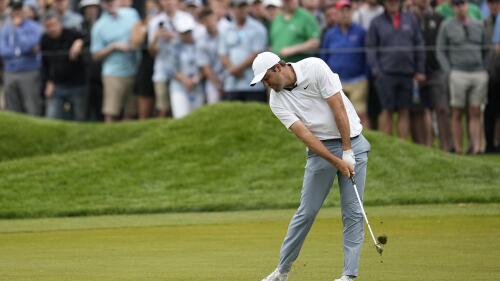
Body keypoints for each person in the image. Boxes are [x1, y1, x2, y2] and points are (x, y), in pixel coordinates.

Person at [252, 52, 370, 281]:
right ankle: (282, 271)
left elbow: (339, 108)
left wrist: (347, 151)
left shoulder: (315, 67)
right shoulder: (275, 101)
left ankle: (349, 275)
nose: (266, 85)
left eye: (266, 78)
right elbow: (305, 136)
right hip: (320, 153)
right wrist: (336, 160)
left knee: (353, 212)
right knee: (306, 212)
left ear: (277, 68)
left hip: (353, 143)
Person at [365, 0, 426, 139]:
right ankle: (387, 144)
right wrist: (376, 71)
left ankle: (401, 146)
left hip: (407, 73)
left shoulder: (411, 19)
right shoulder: (376, 22)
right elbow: (371, 48)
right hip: (385, 74)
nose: (392, 2)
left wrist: (420, 69)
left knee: (404, 110)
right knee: (386, 110)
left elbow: (419, 44)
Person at [436, 0, 488, 154]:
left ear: (468, 5)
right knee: (457, 111)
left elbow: (486, 49)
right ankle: (459, 149)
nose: (460, 8)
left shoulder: (479, 25)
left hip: (478, 73)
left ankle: (477, 147)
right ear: (453, 8)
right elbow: (440, 50)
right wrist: (449, 71)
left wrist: (484, 69)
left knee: (475, 111)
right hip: (457, 73)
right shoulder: (446, 25)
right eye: (456, 5)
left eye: (462, 4)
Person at [321, 0, 370, 128]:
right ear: (336, 13)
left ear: (352, 12)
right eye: (341, 11)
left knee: (360, 113)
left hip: (358, 80)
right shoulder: (329, 34)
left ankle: (364, 141)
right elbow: (324, 57)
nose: (345, 14)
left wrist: (365, 75)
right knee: (337, 114)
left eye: (347, 11)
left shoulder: (361, 32)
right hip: (335, 82)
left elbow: (367, 56)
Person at [91, 0, 140, 122]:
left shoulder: (132, 14)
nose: (110, 4)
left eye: (112, 1)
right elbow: (95, 55)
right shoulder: (99, 26)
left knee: (131, 111)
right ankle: (109, 137)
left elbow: (140, 32)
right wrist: (113, 47)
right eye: (106, 2)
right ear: (102, 5)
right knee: (111, 112)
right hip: (113, 73)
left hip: (134, 69)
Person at [412, 0, 450, 149]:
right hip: (416, 71)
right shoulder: (409, 17)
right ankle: (423, 148)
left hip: (436, 70)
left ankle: (447, 147)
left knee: (441, 108)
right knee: (419, 110)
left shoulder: (440, 18)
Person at [148, 0, 194, 117]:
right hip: (162, 70)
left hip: (184, 70)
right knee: (163, 108)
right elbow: (151, 52)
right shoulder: (155, 22)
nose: (169, 2)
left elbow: (193, 41)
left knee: (187, 108)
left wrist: (175, 36)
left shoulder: (186, 17)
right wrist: (157, 37)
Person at [41, 10, 86, 121]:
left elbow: (88, 37)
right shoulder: (44, 40)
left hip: (77, 84)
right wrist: (49, 81)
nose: (52, 29)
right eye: (48, 26)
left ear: (60, 24)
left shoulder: (72, 34)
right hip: (58, 84)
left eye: (54, 25)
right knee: (52, 117)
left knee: (79, 118)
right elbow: (45, 64)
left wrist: (80, 42)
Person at [219, 0, 268, 102]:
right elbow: (222, 53)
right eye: (237, 7)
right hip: (231, 84)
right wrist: (231, 69)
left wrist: (237, 69)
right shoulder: (226, 29)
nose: (240, 10)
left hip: (253, 84)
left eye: (243, 6)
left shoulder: (258, 28)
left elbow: (257, 53)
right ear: (231, 9)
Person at [1, 0, 43, 116]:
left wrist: (18, 29)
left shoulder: (34, 27)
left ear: (25, 11)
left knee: (31, 107)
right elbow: (2, 51)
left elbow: (31, 45)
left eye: (19, 10)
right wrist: (20, 52)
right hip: (10, 72)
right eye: (14, 10)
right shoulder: (5, 28)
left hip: (29, 72)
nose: (17, 13)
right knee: (12, 108)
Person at [131, 0, 158, 119]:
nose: (151, 11)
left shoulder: (162, 22)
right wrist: (147, 27)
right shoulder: (140, 24)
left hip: (160, 63)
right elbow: (135, 43)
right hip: (146, 65)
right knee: (144, 104)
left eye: (154, 8)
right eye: (149, 9)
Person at [198, 8, 224, 104]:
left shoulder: (226, 33)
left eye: (212, 19)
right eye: (206, 20)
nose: (210, 23)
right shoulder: (201, 41)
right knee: (213, 105)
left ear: (216, 18)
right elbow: (205, 67)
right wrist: (218, 85)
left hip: (230, 76)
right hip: (213, 79)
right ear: (202, 22)